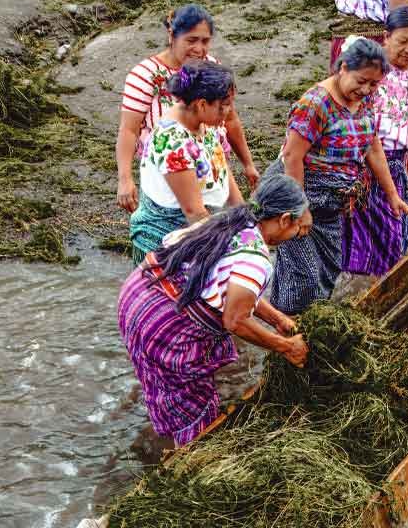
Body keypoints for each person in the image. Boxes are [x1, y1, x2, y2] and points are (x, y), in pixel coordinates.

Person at [118, 174, 312, 447]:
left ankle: (154, 443)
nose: (297, 236)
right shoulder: (256, 258)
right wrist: (285, 347)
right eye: (298, 229)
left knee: (166, 385)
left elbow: (230, 287)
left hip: (138, 296)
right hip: (162, 322)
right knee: (195, 404)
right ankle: (187, 461)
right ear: (284, 220)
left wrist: (276, 318)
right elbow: (235, 320)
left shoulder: (228, 220)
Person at [267, 37, 408, 313]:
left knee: (328, 268)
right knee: (303, 275)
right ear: (343, 67)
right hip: (297, 193)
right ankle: (286, 326)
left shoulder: (366, 100)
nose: (366, 89)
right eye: (361, 81)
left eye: (374, 84)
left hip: (331, 202)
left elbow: (373, 147)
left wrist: (393, 196)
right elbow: (293, 157)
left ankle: (308, 323)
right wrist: (299, 208)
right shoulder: (315, 105)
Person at [116, 5, 259, 213]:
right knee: (185, 217)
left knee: (212, 217)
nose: (199, 49)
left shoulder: (210, 66)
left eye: (205, 41)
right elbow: (129, 130)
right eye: (191, 40)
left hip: (211, 164)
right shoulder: (145, 75)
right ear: (172, 35)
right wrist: (125, 179)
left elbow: (230, 119)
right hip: (170, 170)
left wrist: (248, 163)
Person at [129, 61, 244, 264]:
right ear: (201, 104)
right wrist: (230, 250)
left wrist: (244, 217)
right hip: (166, 245)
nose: (229, 111)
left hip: (201, 229)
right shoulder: (173, 141)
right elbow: (194, 212)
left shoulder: (202, 121)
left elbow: (221, 168)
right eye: (225, 106)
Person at [346, 6, 408, 276]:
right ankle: (367, 284)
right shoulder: (372, 76)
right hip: (367, 164)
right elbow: (359, 128)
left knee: (394, 228)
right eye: (402, 41)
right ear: (386, 37)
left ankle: (381, 281)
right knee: (368, 227)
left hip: (398, 164)